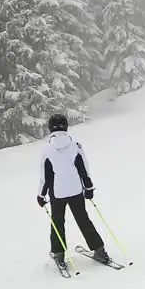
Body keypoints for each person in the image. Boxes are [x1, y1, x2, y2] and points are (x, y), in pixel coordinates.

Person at [36, 113, 109, 266]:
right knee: (83, 220)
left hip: (58, 193)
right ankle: (99, 250)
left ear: (50, 128)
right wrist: (88, 187)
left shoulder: (47, 151)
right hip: (76, 191)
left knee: (57, 223)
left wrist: (41, 196)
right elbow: (84, 169)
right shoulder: (76, 146)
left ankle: (59, 254)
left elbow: (45, 178)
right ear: (66, 126)